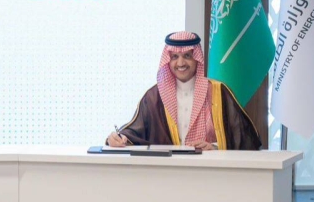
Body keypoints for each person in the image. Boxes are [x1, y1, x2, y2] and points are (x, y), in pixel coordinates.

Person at [107, 31, 261, 151]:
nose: (180, 63)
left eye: (187, 56)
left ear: (197, 59)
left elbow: (244, 136)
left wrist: (215, 146)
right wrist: (118, 138)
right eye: (175, 57)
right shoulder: (154, 97)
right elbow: (135, 131)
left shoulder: (218, 92)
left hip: (210, 171)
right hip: (168, 173)